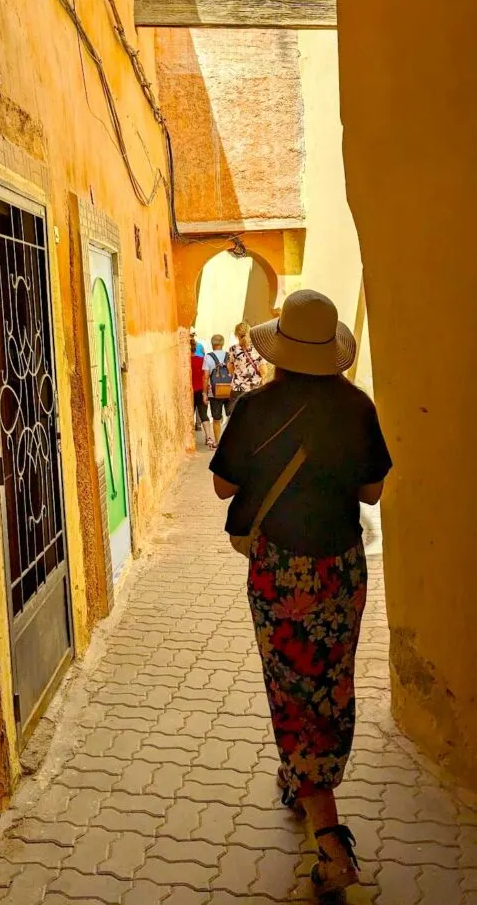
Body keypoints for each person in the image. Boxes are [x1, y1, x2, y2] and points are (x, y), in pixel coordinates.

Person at [209, 290, 392, 895]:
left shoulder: (256, 408)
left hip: (279, 571)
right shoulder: (357, 407)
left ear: (280, 346)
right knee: (331, 681)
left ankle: (329, 836)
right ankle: (306, 773)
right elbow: (371, 493)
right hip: (339, 570)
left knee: (289, 685)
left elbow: (219, 487)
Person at [202, 335, 232, 446]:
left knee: (216, 418)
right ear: (223, 344)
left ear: (212, 344)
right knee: (230, 416)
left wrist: (204, 393)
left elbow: (205, 377)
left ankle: (218, 442)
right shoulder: (229, 356)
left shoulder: (208, 357)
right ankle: (230, 441)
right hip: (229, 390)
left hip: (214, 393)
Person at [228, 322, 266, 403]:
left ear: (236, 335)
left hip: (237, 389)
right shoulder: (258, 348)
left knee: (237, 415)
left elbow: (231, 369)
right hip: (254, 389)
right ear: (250, 332)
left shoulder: (233, 349)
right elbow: (264, 370)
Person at [190, 336, 214, 449]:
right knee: (204, 415)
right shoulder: (201, 360)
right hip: (201, 390)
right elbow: (206, 376)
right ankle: (209, 437)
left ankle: (190, 440)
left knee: (190, 415)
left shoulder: (185, 362)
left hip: (190, 392)